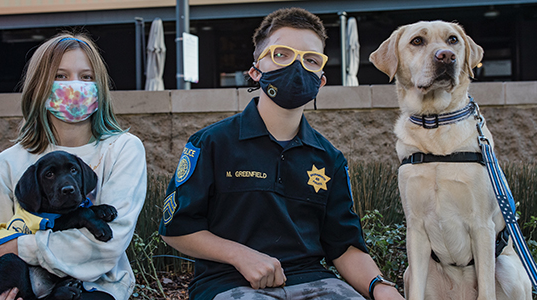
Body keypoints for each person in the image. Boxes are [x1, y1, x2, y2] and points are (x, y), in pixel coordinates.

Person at [159, 7, 404, 300]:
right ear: (255, 71)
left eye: (310, 60)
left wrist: (381, 288)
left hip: (316, 283)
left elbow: (344, 246)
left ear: (321, 80)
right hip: (228, 284)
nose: (297, 67)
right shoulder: (211, 143)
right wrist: (241, 256)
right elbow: (175, 229)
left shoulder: (330, 158)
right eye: (281, 54)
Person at [0, 33, 147, 300]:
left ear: (100, 86)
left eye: (87, 77)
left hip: (97, 289)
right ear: (39, 87)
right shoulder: (11, 161)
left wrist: (18, 247)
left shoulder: (123, 149)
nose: (75, 85)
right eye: (61, 76)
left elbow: (107, 242)